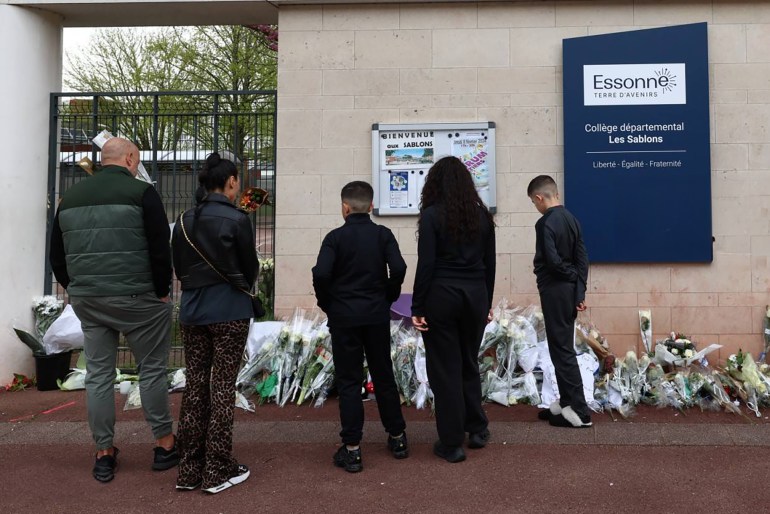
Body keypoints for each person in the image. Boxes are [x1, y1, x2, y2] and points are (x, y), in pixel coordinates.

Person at [49, 137, 177, 483]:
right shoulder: (141, 192)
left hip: (90, 301)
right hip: (139, 299)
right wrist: (162, 290)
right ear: (131, 157)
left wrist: (75, 288)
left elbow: (57, 257)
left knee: (98, 375)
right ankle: (164, 445)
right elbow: (158, 247)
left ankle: (104, 452)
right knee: (151, 369)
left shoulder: (70, 198)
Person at [171, 152, 257, 494]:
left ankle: (188, 470)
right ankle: (217, 470)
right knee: (221, 387)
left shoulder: (183, 220)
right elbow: (249, 269)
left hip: (192, 311)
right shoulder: (237, 219)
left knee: (194, 387)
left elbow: (179, 267)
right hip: (230, 311)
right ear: (232, 181)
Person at [312, 181, 408, 473]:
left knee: (350, 382)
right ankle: (398, 438)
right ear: (371, 204)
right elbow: (400, 268)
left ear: (344, 207)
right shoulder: (383, 235)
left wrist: (328, 302)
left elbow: (321, 273)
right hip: (376, 315)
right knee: (384, 376)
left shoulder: (334, 238)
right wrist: (388, 295)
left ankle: (352, 449)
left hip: (344, 318)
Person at [411, 156, 496, 464]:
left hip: (441, 296)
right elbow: (490, 266)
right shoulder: (482, 216)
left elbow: (427, 264)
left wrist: (417, 305)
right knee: (468, 362)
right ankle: (476, 428)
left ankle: (451, 442)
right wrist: (486, 303)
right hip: (475, 295)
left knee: (445, 370)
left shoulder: (432, 216)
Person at [527, 175, 591, 428]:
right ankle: (566, 402)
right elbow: (582, 258)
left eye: (534, 202)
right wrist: (579, 291)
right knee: (560, 347)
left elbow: (551, 262)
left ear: (540, 197)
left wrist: (569, 277)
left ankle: (579, 411)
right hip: (569, 291)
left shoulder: (545, 223)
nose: (535, 206)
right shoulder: (572, 219)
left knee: (562, 350)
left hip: (555, 290)